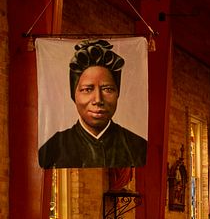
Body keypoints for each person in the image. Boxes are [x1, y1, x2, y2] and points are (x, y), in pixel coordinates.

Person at [38, 39, 148, 169]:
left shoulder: (137, 147)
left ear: (118, 92)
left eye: (107, 89)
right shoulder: (54, 148)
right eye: (87, 90)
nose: (97, 100)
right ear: (74, 95)